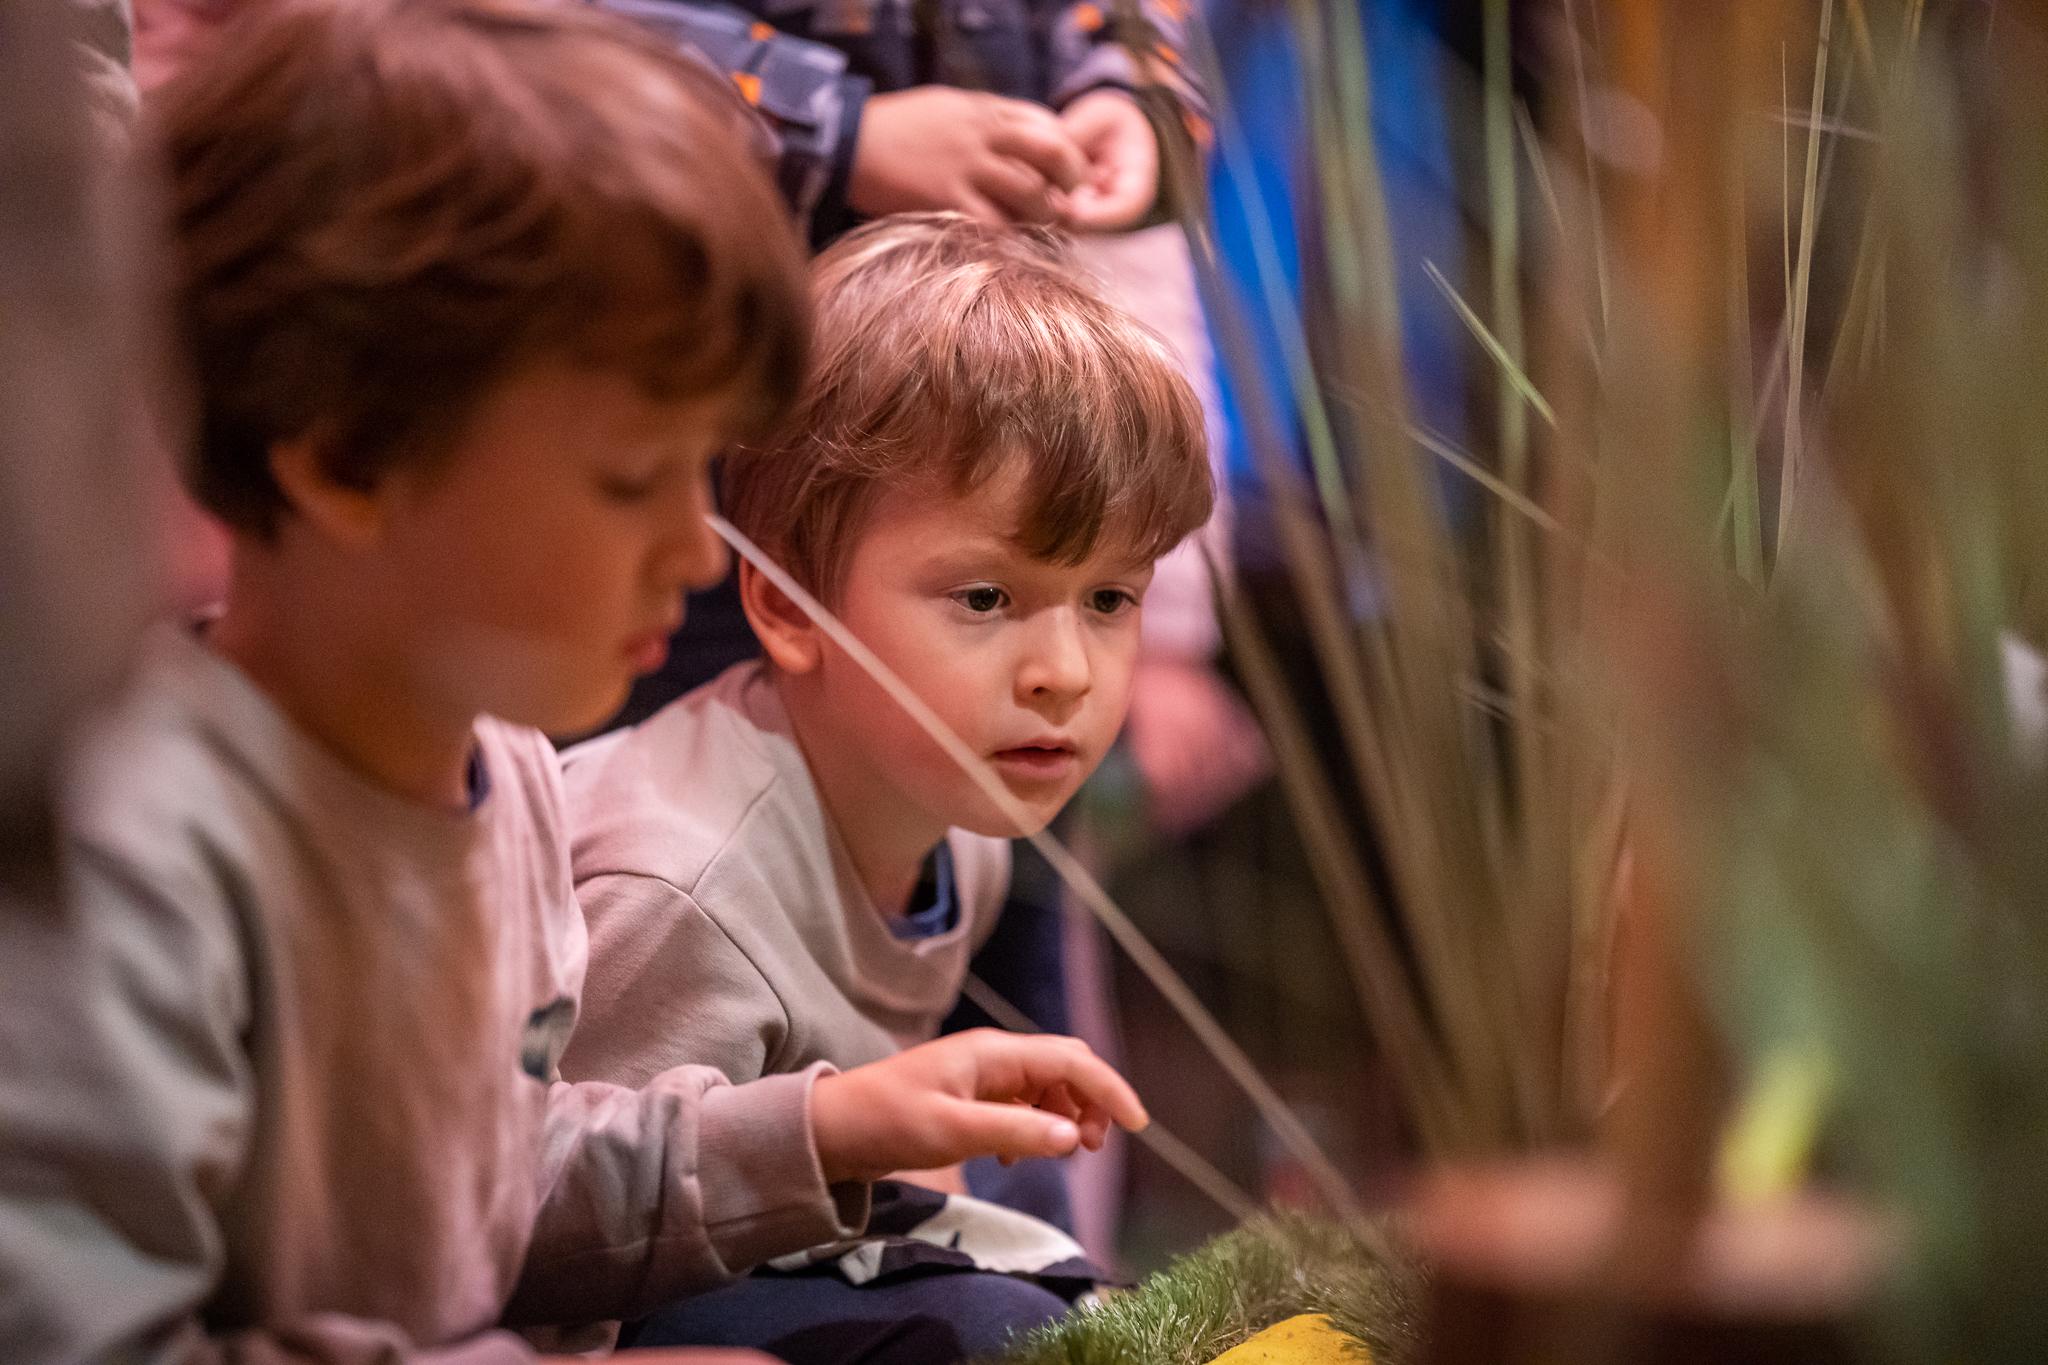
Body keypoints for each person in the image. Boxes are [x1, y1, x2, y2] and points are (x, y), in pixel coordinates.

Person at [0, 6, 1149, 1361]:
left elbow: (499, 1190)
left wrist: (823, 1128)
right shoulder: (133, 868)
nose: (697, 552)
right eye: (630, 479)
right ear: (349, 459)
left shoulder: (502, 775)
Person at [556, 212, 1212, 1356]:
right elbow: (544, 1238)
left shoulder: (963, 822)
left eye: (1109, 599)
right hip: (601, 1302)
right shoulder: (682, 893)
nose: (1063, 673)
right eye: (984, 599)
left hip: (747, 1233)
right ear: (785, 606)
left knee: (1038, 1217)